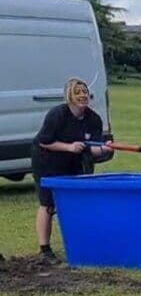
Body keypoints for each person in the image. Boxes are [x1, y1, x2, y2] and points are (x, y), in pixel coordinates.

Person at [30, 78, 110, 263]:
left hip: (74, 160)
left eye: (84, 92)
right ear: (69, 96)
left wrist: (105, 148)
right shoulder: (58, 114)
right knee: (48, 203)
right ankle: (45, 250)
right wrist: (69, 147)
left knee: (79, 199)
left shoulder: (93, 118)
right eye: (77, 92)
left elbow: (93, 149)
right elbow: (45, 141)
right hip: (47, 159)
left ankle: (82, 243)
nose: (82, 95)